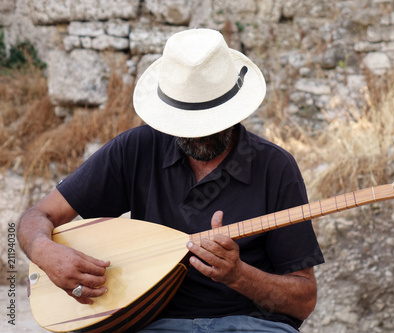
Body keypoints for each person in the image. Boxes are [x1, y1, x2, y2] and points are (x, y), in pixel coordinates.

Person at [17, 28, 324, 332]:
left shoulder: (276, 167)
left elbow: (303, 301)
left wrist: (238, 275)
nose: (201, 134)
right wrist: (46, 252)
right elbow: (37, 217)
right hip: (150, 321)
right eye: (188, 122)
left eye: (212, 120)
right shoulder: (136, 149)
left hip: (250, 324)